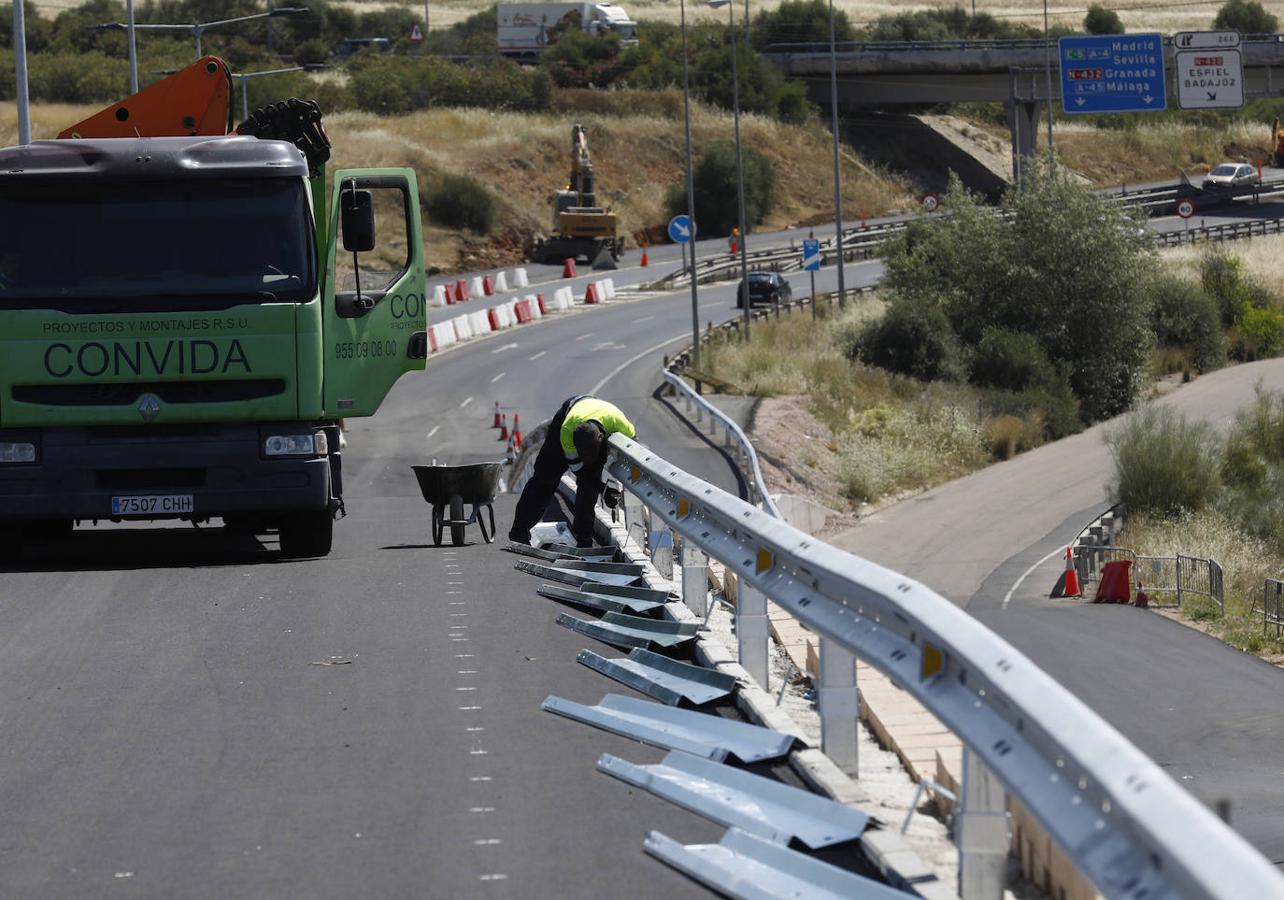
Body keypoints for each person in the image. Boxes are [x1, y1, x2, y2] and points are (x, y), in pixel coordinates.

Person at [509, 395, 635, 547]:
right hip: (567, 415)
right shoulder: (567, 432)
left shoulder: (621, 425)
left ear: (601, 438)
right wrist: (603, 488)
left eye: (589, 455)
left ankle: (583, 538)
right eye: (582, 455)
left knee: (590, 483)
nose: (585, 459)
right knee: (544, 478)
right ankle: (519, 531)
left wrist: (611, 488)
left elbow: (635, 453)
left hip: (594, 416)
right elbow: (580, 472)